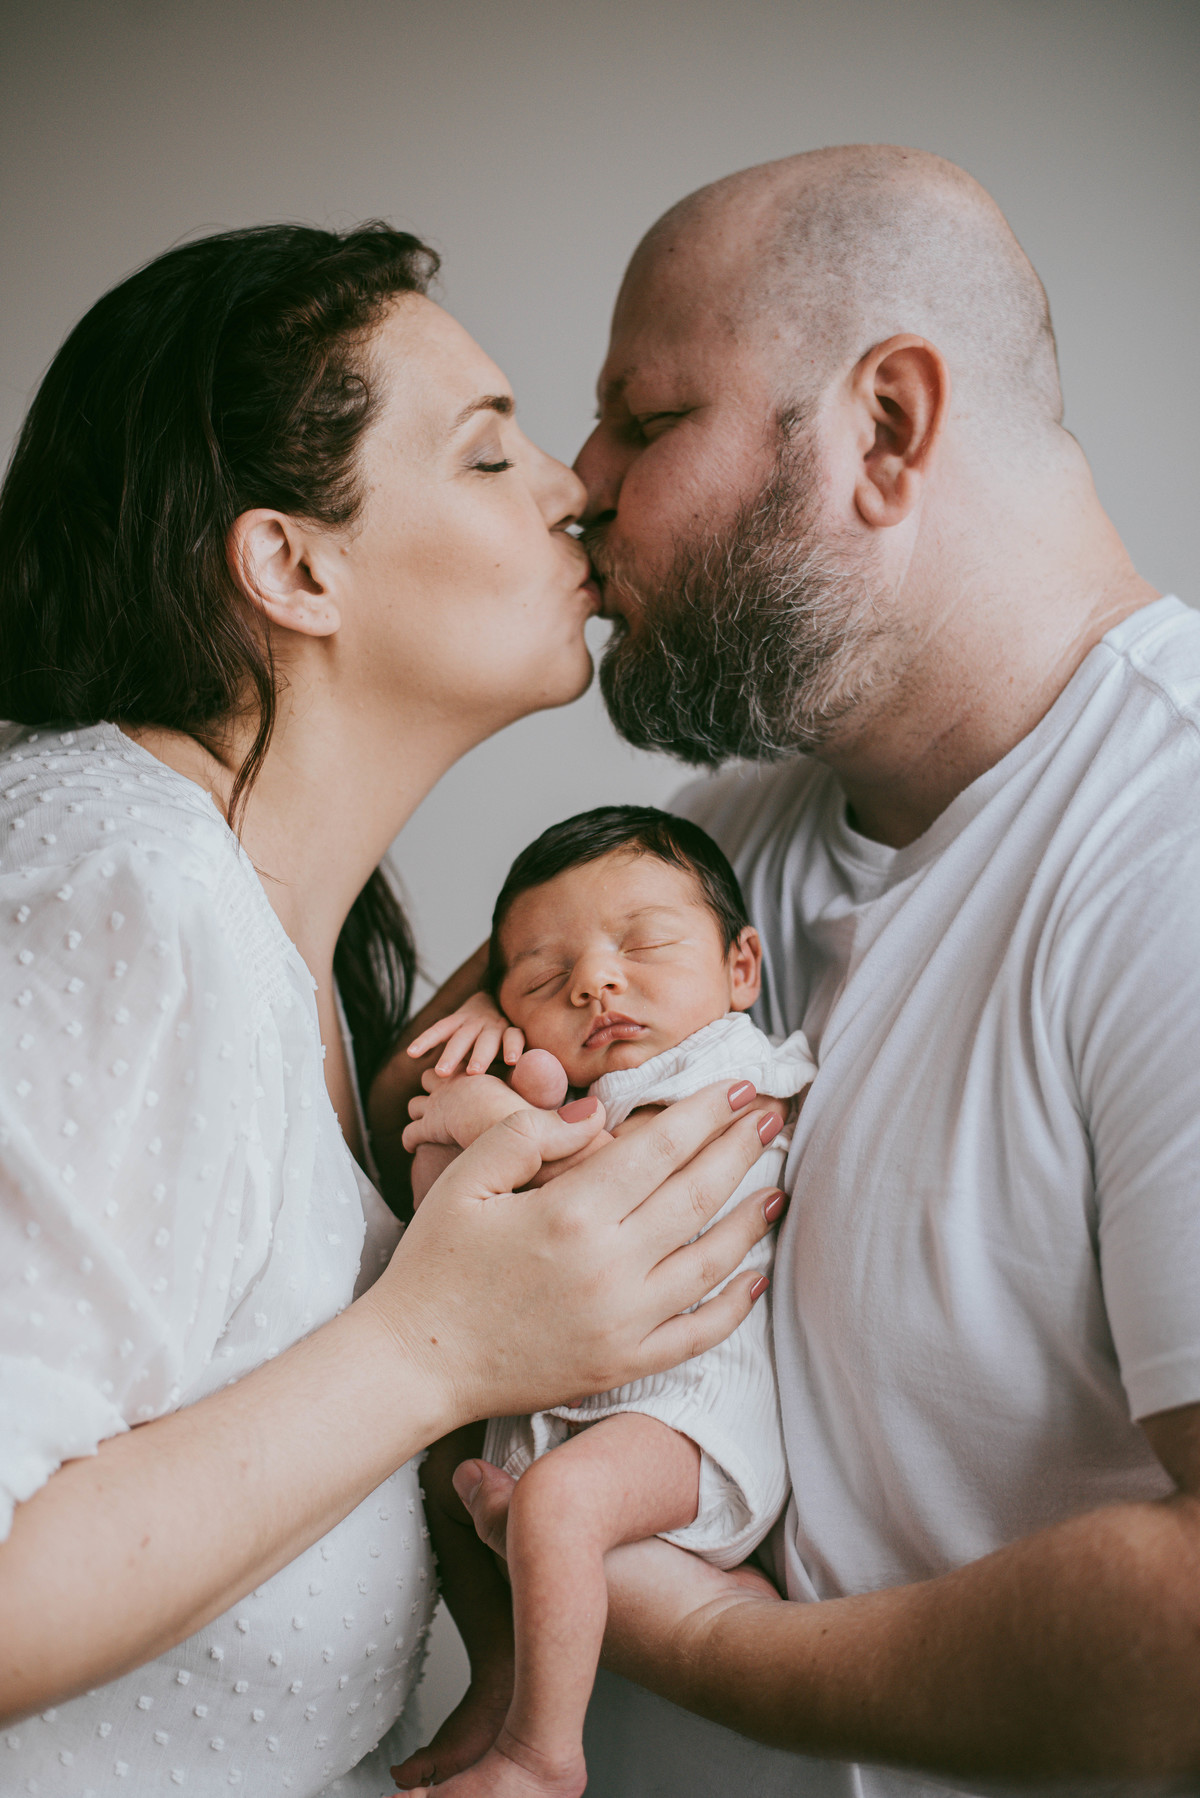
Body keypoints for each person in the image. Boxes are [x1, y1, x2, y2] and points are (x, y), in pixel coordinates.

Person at [438, 147, 1200, 1794]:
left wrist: (708, 1645)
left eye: (647, 420)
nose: (578, 483)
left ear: (888, 428)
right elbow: (405, 1122)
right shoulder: (715, 844)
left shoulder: (1173, 849)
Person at [0, 222, 785, 1797]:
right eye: (490, 454)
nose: (574, 488)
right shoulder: (122, 895)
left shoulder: (310, 953)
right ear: (294, 566)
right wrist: (441, 1347)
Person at [388, 805, 814, 1797]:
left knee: (558, 1503)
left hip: (686, 1426)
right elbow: (444, 1217)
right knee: (436, 1463)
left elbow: (597, 1196)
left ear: (740, 967)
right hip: (560, 1406)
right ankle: (501, 1674)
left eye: (645, 945)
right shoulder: (573, 1091)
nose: (594, 982)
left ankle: (542, 1755)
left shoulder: (729, 1064)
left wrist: (493, 1112)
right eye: (544, 979)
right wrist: (488, 1061)